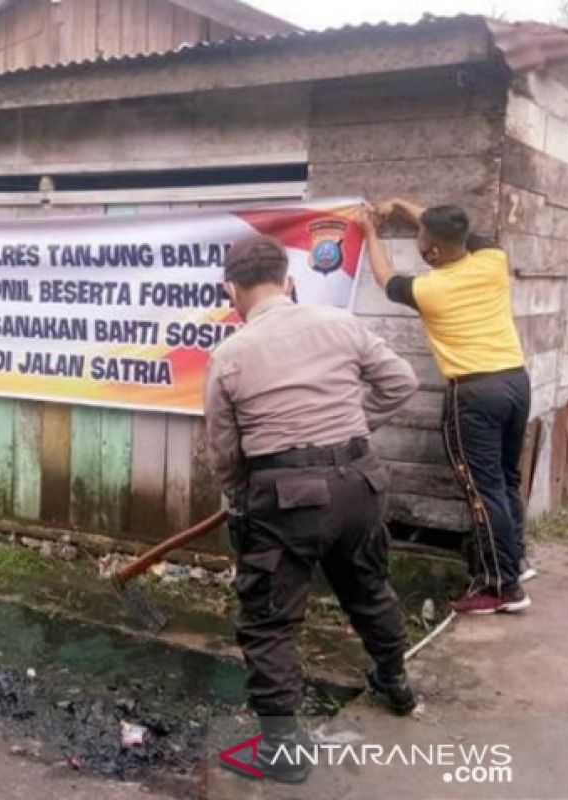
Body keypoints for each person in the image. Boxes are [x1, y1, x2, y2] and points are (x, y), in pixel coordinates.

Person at [205, 236, 419, 784]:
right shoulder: (339, 324)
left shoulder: (229, 356)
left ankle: (282, 753)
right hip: (361, 483)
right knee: (369, 588)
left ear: (232, 290)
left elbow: (225, 452)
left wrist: (240, 497)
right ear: (288, 279)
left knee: (269, 622)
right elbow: (402, 382)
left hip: (286, 498)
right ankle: (394, 682)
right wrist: (348, 428)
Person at [362, 200, 534, 615]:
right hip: (514, 382)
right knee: (506, 480)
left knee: (482, 489)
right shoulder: (492, 260)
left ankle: (501, 588)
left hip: (475, 394)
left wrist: (370, 230)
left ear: (430, 253)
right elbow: (445, 227)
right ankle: (514, 561)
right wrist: (401, 206)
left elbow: (385, 277)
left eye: (421, 239)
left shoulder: (430, 289)